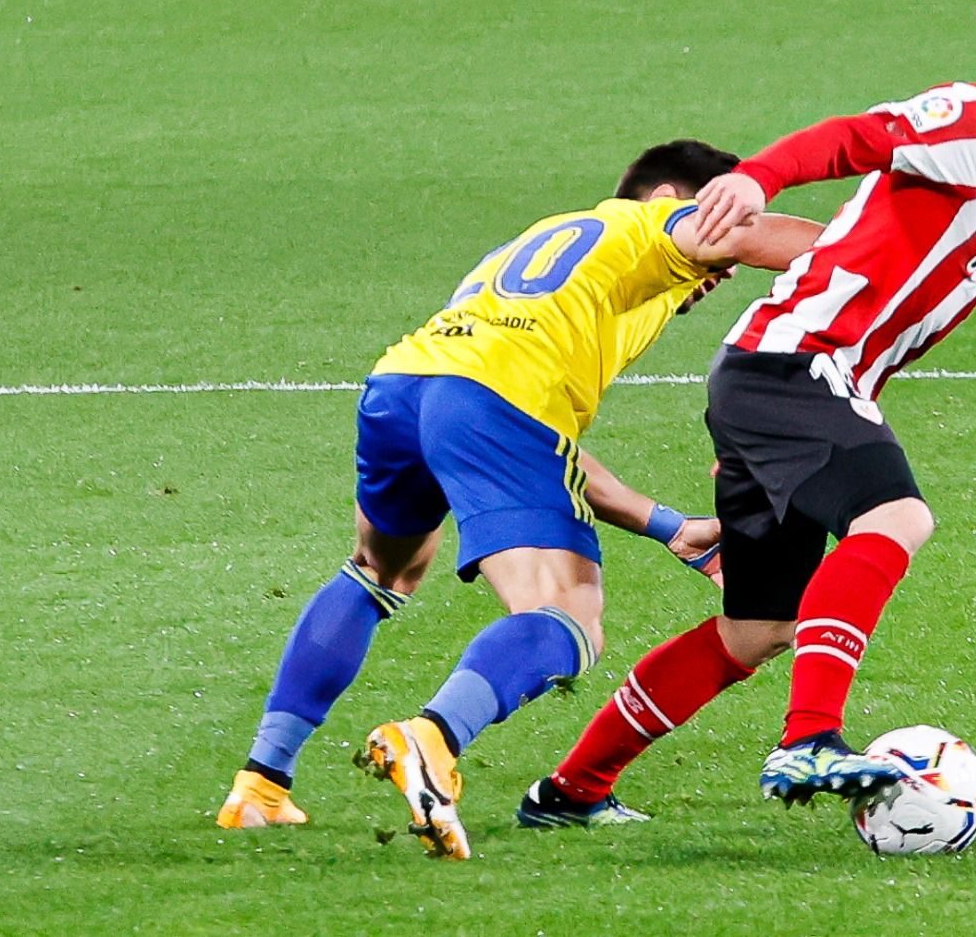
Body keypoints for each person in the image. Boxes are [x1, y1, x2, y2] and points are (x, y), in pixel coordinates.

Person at [517, 0, 976, 826]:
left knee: (756, 629)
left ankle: (568, 793)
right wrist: (759, 177)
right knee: (897, 518)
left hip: (781, 383)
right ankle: (810, 737)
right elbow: (858, 136)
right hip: (796, 372)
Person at [214, 140, 823, 857]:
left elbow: (531, 431)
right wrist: (903, 248)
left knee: (382, 571)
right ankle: (432, 739)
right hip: (486, 401)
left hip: (406, 386)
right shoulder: (650, 229)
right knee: (567, 615)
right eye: (722, 211)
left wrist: (665, 525)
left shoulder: (541, 252)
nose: (721, 267)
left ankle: (260, 786)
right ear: (671, 200)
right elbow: (771, 240)